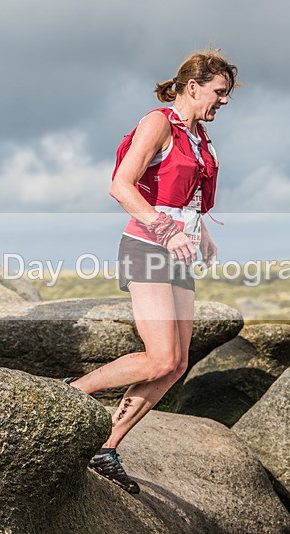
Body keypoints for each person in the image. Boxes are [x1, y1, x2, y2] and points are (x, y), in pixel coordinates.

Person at [66, 50, 238, 493]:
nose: (223, 102)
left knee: (175, 364)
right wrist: (165, 228)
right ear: (193, 86)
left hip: (177, 252)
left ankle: (106, 445)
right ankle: (70, 394)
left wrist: (200, 233)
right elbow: (120, 185)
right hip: (147, 246)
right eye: (219, 93)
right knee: (159, 356)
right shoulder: (158, 122)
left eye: (227, 95)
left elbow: (185, 196)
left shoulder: (199, 134)